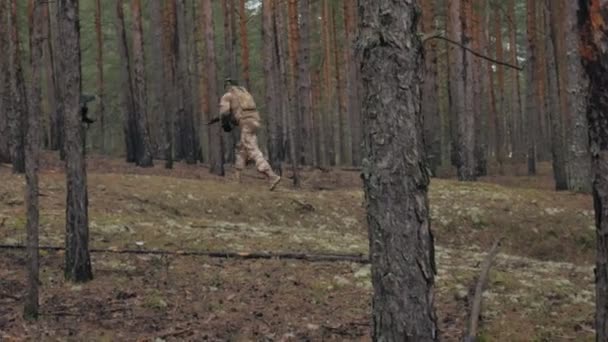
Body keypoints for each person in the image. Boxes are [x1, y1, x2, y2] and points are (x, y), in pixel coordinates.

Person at [219, 79, 281, 191]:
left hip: (246, 122)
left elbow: (224, 112)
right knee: (242, 149)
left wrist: (225, 124)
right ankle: (236, 178)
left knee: (252, 150)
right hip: (254, 121)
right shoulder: (245, 93)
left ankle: (271, 175)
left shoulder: (228, 95)